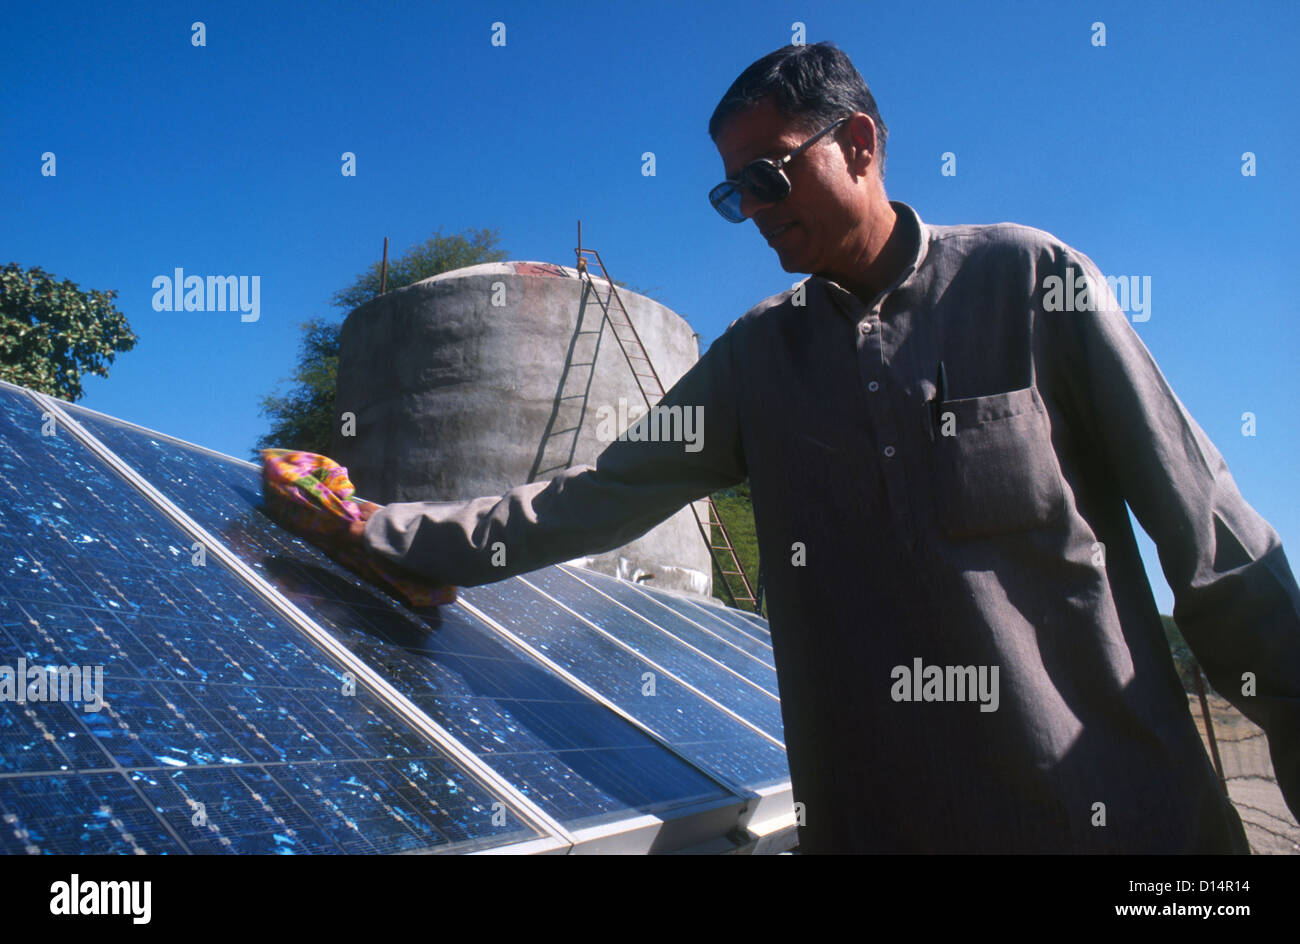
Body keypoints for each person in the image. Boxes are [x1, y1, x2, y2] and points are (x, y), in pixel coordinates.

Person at [342, 43, 1300, 853]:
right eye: (731, 196)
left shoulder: (1028, 282)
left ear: (861, 144)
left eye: (768, 178)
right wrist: (385, 531)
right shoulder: (758, 362)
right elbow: (590, 497)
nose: (753, 210)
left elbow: (1216, 549)